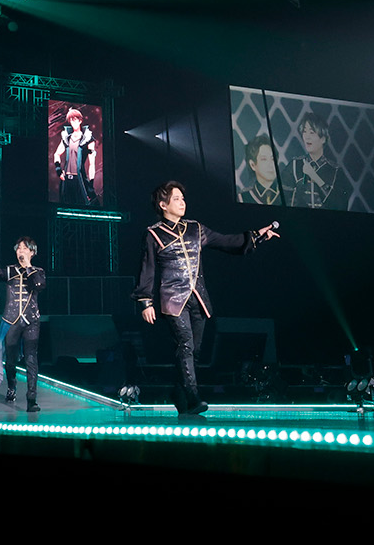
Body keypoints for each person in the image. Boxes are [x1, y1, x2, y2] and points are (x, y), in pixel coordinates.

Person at [133, 179, 278, 419]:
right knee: (186, 344)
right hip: (173, 299)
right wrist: (145, 301)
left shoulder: (195, 229)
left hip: (198, 297)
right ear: (163, 205)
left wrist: (256, 236)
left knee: (195, 350)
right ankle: (192, 396)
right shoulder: (153, 234)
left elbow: (226, 241)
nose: (182, 202)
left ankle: (178, 392)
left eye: (183, 198)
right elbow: (147, 268)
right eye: (176, 199)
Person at [0, 238, 45, 412]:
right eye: (19, 248)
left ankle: (31, 398)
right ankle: (11, 386)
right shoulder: (10, 270)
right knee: (11, 360)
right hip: (11, 319)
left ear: (32, 252)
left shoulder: (38, 272)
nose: (21, 251)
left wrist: (28, 267)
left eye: (25, 248)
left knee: (31, 358)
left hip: (31, 320)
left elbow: (39, 285)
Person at [284, 109, 354, 209]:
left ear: (323, 139)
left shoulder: (335, 171)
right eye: (304, 131)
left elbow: (340, 205)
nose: (307, 137)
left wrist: (316, 178)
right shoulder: (295, 165)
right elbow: (283, 198)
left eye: (312, 132)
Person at [53, 107, 96, 205]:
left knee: (82, 205)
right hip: (66, 179)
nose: (73, 122)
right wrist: (59, 170)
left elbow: (92, 164)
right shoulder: (66, 138)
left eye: (75, 119)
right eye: (71, 120)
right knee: (65, 206)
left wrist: (90, 185)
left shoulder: (87, 138)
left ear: (80, 120)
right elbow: (57, 154)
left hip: (80, 179)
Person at [238, 135, 283, 206]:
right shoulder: (243, 198)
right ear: (252, 165)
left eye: (273, 159)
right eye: (264, 159)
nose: (271, 164)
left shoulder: (290, 194)